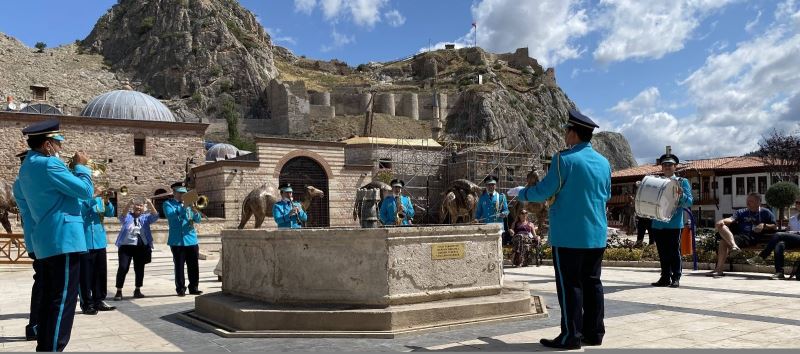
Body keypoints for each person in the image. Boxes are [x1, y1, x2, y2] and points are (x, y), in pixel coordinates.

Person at [512, 109, 611, 349]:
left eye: (567, 130)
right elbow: (606, 194)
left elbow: (545, 190)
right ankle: (594, 333)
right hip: (596, 234)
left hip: (568, 235)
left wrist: (521, 193)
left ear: (574, 133)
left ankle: (571, 336)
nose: (565, 134)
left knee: (570, 286)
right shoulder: (604, 162)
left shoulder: (563, 159)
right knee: (593, 283)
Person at [13, 119, 94, 351]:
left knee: (50, 299)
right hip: (64, 240)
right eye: (58, 143)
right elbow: (86, 191)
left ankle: (45, 346)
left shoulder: (27, 166)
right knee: (63, 301)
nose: (60, 148)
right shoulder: (50, 165)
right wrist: (81, 167)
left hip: (47, 240)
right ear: (48, 145)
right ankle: (53, 348)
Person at [649, 153, 693, 288]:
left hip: (674, 223)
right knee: (662, 251)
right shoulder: (657, 181)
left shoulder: (682, 182)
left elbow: (689, 202)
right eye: (665, 165)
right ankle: (665, 277)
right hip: (658, 222)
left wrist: (682, 194)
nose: (667, 167)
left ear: (675, 167)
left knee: (674, 251)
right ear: (662, 167)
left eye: (670, 165)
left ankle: (676, 277)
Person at [708, 193, 777, 277]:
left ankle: (719, 269)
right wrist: (722, 221)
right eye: (747, 201)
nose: (748, 203)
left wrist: (764, 225)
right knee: (722, 227)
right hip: (739, 236)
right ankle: (734, 247)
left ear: (759, 202)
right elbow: (731, 219)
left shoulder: (766, 212)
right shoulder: (741, 211)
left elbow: (774, 226)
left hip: (752, 237)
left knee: (723, 242)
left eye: (751, 201)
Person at [13, 150, 42, 341]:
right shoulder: (29, 183)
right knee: (43, 284)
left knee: (42, 283)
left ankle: (36, 324)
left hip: (35, 238)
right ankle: (36, 325)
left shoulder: (20, 182)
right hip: (41, 238)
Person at [78, 186, 116, 314]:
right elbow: (81, 211)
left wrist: (107, 201)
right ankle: (86, 303)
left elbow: (110, 213)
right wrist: (93, 196)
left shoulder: (100, 200)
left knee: (100, 274)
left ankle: (98, 300)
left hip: (99, 241)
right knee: (85, 275)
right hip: (85, 241)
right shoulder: (80, 198)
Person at [114, 198, 159, 300]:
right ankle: (119, 291)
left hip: (141, 246)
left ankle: (137, 290)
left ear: (143, 208)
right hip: (126, 246)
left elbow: (155, 216)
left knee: (139, 269)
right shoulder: (128, 216)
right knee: (123, 268)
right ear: (133, 207)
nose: (138, 207)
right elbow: (122, 216)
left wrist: (150, 204)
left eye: (141, 206)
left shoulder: (146, 218)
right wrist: (129, 203)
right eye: (137, 205)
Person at [163, 182, 203, 297]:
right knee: (179, 265)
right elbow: (172, 217)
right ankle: (180, 288)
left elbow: (198, 220)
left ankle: (194, 287)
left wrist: (195, 211)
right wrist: (185, 207)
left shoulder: (190, 205)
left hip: (191, 239)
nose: (182, 195)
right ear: (174, 193)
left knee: (193, 265)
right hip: (177, 241)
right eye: (180, 193)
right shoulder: (168, 204)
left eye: (184, 193)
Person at [746, 199, 800, 279]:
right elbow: (788, 230)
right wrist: (788, 232)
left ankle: (762, 256)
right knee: (779, 245)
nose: (798, 204)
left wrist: (793, 233)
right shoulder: (792, 218)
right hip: (793, 240)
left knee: (778, 234)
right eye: (797, 202)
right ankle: (779, 272)